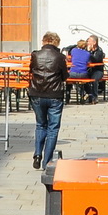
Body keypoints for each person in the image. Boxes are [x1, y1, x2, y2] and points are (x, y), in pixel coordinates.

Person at [28, 31, 66, 169]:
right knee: (53, 128)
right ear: (56, 42)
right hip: (54, 94)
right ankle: (47, 161)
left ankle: (37, 154)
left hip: (37, 92)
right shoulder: (60, 57)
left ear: (44, 41)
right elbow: (65, 76)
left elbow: (31, 70)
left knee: (40, 124)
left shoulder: (35, 54)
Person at [67, 36, 97, 103]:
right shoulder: (87, 53)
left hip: (73, 73)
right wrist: (89, 50)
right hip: (83, 73)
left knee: (68, 81)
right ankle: (90, 96)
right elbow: (89, 61)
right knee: (86, 82)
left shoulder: (73, 50)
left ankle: (67, 96)